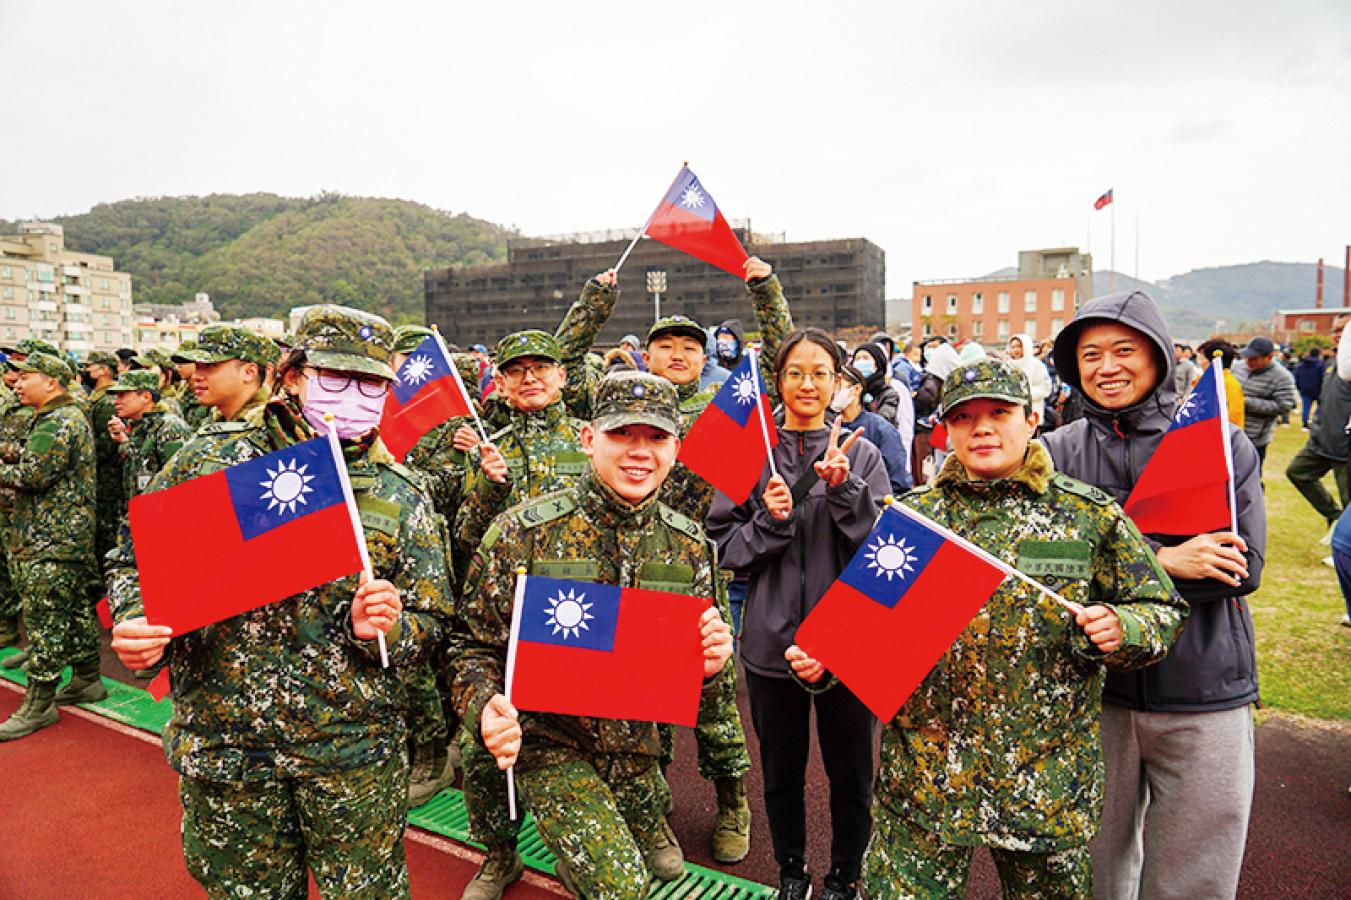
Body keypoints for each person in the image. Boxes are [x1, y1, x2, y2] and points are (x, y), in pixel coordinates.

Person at [792, 359, 1184, 898]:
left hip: (1042, 786)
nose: (981, 429)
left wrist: (1125, 627)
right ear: (946, 430)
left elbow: (1161, 608)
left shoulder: (1086, 516)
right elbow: (865, 632)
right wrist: (823, 666)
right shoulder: (915, 519)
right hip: (924, 785)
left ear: (1031, 420)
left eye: (999, 413)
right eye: (964, 417)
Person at [107, 305, 453, 898]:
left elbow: (433, 620)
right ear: (292, 375)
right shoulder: (209, 462)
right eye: (336, 378)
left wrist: (386, 629)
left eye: (371, 384)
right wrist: (137, 619)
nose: (354, 397)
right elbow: (133, 559)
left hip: (350, 753)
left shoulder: (402, 492)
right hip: (228, 747)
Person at [451, 371, 734, 898]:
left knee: (651, 866)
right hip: (549, 741)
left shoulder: (689, 546)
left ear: (676, 449)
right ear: (588, 438)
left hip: (636, 748)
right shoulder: (524, 533)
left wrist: (713, 668)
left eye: (656, 437)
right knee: (621, 887)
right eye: (621, 433)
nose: (639, 452)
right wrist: (485, 705)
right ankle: (512, 853)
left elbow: (705, 681)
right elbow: (470, 647)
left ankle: (600, 847)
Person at [1042, 290, 1267, 900]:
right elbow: (1047, 571)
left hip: (1204, 690)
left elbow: (1240, 566)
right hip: (1094, 693)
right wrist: (1163, 557)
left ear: (1159, 356)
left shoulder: (1220, 444)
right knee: (1091, 870)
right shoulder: (1056, 453)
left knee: (1195, 876)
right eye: (1090, 354)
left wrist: (1105, 563)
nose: (1106, 367)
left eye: (1124, 350)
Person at [709, 328, 889, 900]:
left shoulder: (862, 453)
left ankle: (844, 875)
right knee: (781, 773)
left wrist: (846, 490)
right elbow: (722, 549)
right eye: (795, 372)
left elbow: (887, 554)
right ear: (778, 380)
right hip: (770, 642)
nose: (807, 384)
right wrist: (770, 520)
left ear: (839, 382)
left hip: (848, 644)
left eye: (820, 373)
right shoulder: (752, 453)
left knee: (852, 774)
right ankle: (792, 871)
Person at [0, 352, 105, 739]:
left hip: (50, 537)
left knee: (45, 621)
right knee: (73, 609)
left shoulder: (59, 420)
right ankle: (87, 678)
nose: (17, 383)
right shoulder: (59, 416)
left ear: (51, 382)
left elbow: (33, 474)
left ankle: (39, 704)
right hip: (60, 536)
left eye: (26, 376)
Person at [1285, 338, 1351, 539]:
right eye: (1335, 331)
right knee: (1297, 472)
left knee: (1349, 502)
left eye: (1341, 330)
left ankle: (1344, 545)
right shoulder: (1333, 362)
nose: (1337, 335)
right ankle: (1334, 515)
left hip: (1345, 446)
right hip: (1321, 440)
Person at [106, 369, 191, 511]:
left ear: (146, 397)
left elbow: (180, 481)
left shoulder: (169, 427)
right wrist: (124, 440)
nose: (116, 401)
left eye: (122, 395)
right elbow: (141, 465)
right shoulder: (138, 426)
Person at [172, 324, 280, 424]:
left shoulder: (271, 427)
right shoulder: (215, 421)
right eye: (197, 367)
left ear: (249, 373)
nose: (195, 376)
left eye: (210, 365)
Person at [833, 364, 911, 494]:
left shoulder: (880, 429)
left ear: (857, 389)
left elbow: (898, 480)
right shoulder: (826, 426)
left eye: (838, 385)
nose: (833, 391)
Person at [83, 350, 125, 574]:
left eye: (90, 366)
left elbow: (106, 444)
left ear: (104, 370)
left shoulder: (108, 400)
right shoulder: (96, 397)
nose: (86, 371)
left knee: (107, 526)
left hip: (107, 475)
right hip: (99, 474)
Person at [1234, 335, 1297, 467]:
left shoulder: (1282, 377)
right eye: (1246, 357)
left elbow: (1284, 406)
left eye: (1254, 359)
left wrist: (1245, 402)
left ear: (1269, 357)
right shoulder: (1237, 367)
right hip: (1231, 431)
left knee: (1249, 475)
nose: (1248, 361)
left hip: (1255, 438)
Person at [1195, 339, 1245, 428]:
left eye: (1202, 358)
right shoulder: (1204, 380)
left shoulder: (1229, 384)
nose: (1200, 363)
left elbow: (1233, 419)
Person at [1006, 332, 1051, 422]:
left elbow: (1044, 388)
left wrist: (1024, 393)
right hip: (1011, 411)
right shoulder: (1007, 366)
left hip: (1032, 410)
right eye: (1013, 347)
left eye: (1019, 346)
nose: (1015, 350)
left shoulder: (1037, 365)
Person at [1294, 348, 1326, 429]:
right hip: (1318, 389)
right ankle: (1314, 420)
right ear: (1318, 354)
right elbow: (1323, 377)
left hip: (1305, 389)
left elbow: (1296, 377)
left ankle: (1305, 424)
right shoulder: (1320, 364)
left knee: (1305, 407)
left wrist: (1299, 387)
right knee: (1322, 405)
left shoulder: (1301, 364)